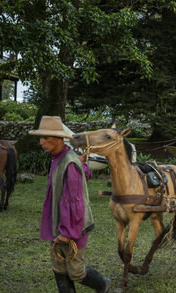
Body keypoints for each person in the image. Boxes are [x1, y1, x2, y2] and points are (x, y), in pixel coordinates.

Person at [29, 116, 110, 293]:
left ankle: (103, 284)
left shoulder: (69, 163)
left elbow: (74, 201)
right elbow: (86, 174)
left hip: (72, 226)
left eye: (46, 137)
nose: (41, 142)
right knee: (58, 268)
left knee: (76, 272)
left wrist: (66, 232)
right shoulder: (58, 157)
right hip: (58, 223)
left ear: (59, 139)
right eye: (40, 137)